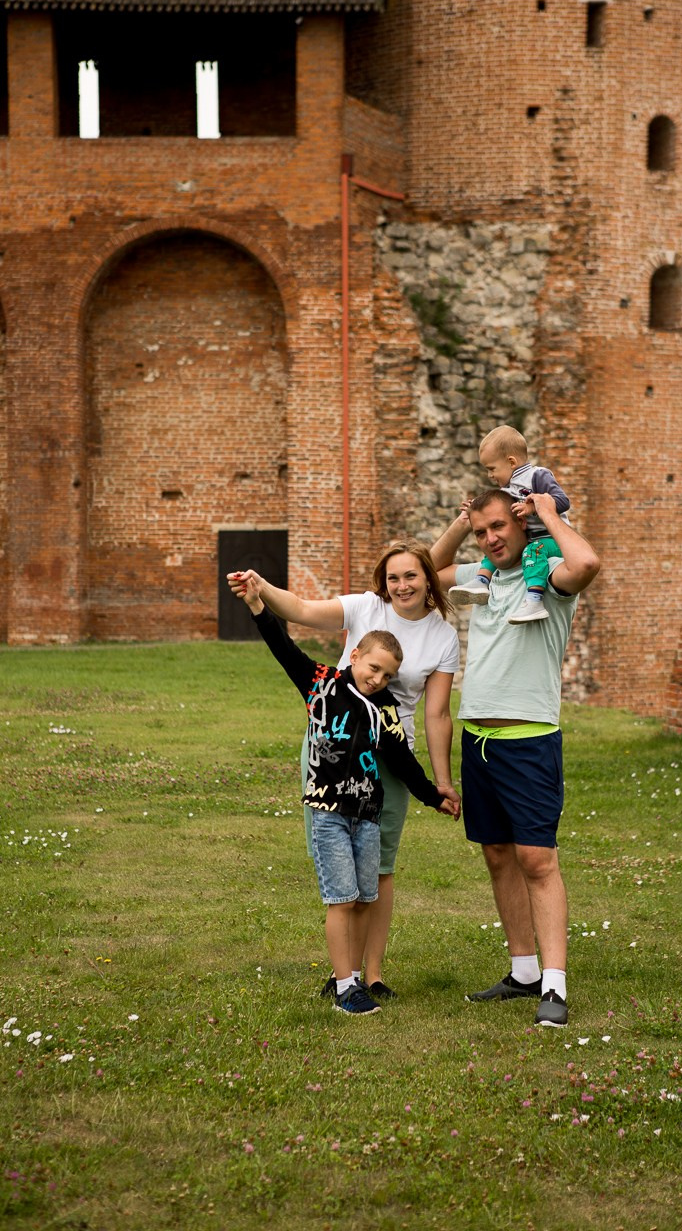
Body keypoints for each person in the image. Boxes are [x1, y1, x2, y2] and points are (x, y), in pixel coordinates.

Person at [227, 539, 460, 999]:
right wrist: (257, 598)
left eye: (411, 576)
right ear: (353, 655)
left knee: (375, 874)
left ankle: (365, 976)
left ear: (428, 579)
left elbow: (419, 737)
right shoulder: (327, 677)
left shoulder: (394, 700)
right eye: (393, 577)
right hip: (329, 790)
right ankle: (343, 977)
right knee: (338, 882)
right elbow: (286, 636)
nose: (401, 585)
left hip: (377, 791)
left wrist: (439, 791)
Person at [431, 487, 600, 1027]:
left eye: (499, 525)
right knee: (498, 855)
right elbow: (422, 572)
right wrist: (460, 527)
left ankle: (554, 985)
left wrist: (547, 512)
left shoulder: (546, 571)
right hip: (477, 738)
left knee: (537, 859)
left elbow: (588, 563)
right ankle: (523, 971)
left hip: (529, 740)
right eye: (483, 531)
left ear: (520, 522)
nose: (491, 538)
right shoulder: (479, 578)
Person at [449, 424, 571, 624]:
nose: (490, 475)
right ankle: (481, 581)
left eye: (491, 469)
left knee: (533, 551)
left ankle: (534, 600)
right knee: (493, 545)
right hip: (530, 539)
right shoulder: (507, 489)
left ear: (511, 462)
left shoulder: (537, 476)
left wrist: (534, 507)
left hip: (550, 540)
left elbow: (563, 501)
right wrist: (474, 508)